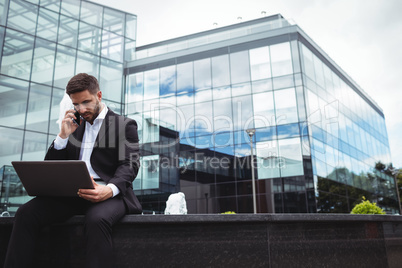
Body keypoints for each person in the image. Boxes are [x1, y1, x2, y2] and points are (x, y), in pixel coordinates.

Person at [4, 73, 142, 268]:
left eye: (86, 102)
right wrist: (62, 136)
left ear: (99, 95)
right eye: (76, 104)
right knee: (26, 213)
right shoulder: (73, 125)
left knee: (96, 220)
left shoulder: (124, 125)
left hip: (109, 194)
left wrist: (109, 189)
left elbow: (130, 164)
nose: (81, 109)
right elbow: (51, 166)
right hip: (72, 194)